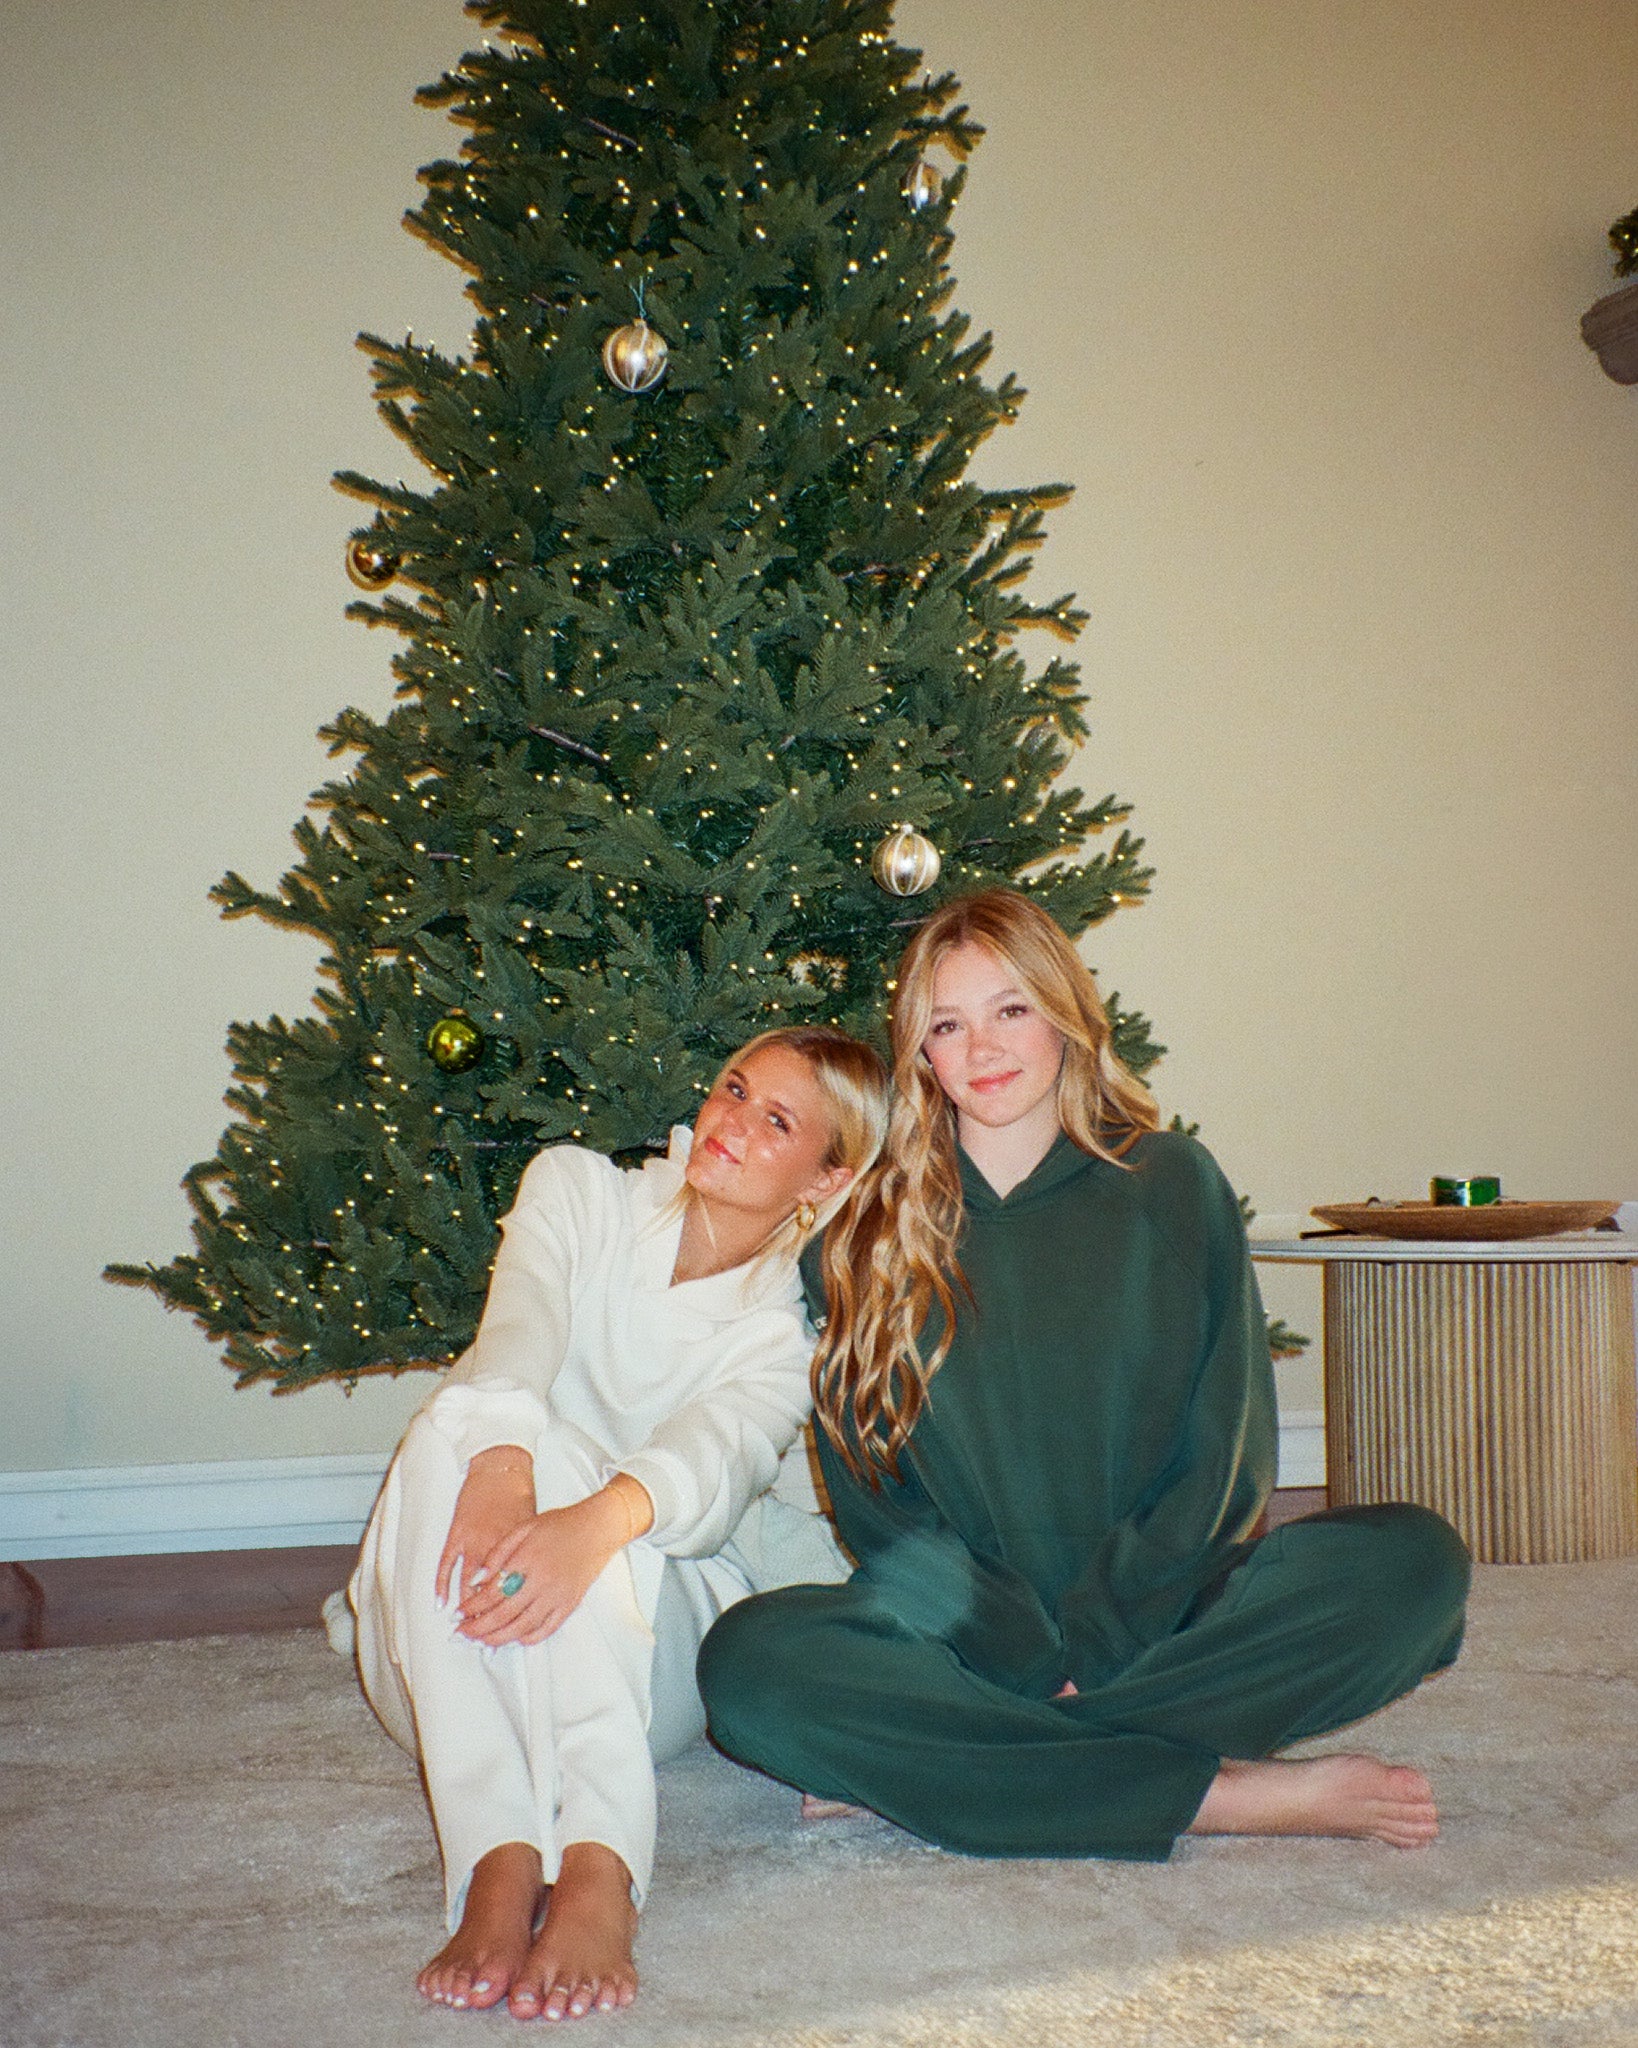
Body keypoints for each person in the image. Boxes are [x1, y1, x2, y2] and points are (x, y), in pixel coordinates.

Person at [698, 889, 1470, 1864]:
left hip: (1166, 1608)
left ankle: (952, 1765)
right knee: (751, 1664)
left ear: (1064, 1013)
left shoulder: (1173, 1183)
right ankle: (1217, 1795)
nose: (982, 1047)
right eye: (947, 1024)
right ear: (920, 1053)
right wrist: (1022, 1650)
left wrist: (1098, 1642)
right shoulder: (860, 1241)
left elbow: (1224, 1457)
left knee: (1417, 1563)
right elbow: (883, 1520)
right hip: (966, 1638)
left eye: (1010, 1008)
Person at [349, 1024, 888, 2022]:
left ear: (827, 1178)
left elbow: (718, 1455)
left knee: (572, 1473)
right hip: (449, 1646)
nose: (731, 1120)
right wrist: (506, 1465)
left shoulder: (787, 1331)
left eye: (778, 1121)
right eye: (735, 1088)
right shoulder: (578, 1189)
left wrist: (590, 1526)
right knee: (464, 1426)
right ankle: (500, 1855)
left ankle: (596, 1866)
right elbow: (519, 1327)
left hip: (645, 1661)